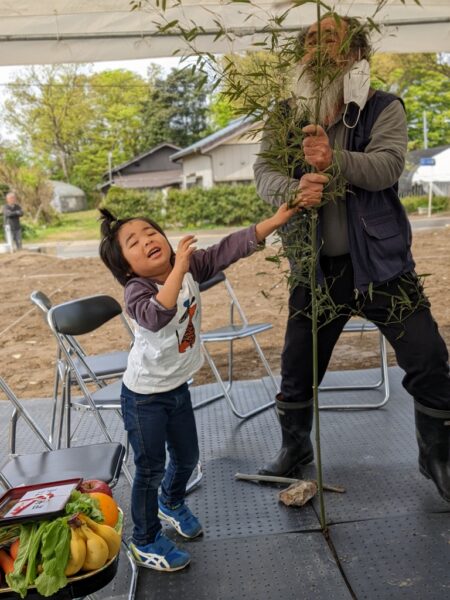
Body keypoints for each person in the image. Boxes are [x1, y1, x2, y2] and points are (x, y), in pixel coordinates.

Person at [253, 14, 450, 502]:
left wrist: (332, 160)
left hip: (382, 266)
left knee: (428, 360)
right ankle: (295, 451)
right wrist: (295, 189)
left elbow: (387, 167)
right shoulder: (285, 115)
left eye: (330, 39)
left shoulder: (382, 107)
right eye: (310, 41)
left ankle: (438, 458)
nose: (317, 49)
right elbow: (262, 172)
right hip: (315, 267)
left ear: (356, 53)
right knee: (298, 367)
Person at [98, 202, 299, 571]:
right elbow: (159, 315)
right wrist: (179, 268)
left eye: (151, 232)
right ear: (126, 267)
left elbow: (229, 248)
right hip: (144, 398)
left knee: (188, 458)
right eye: (133, 242)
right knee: (150, 469)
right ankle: (144, 541)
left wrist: (277, 220)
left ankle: (171, 502)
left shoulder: (187, 267)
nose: (147, 240)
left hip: (177, 387)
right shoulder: (136, 291)